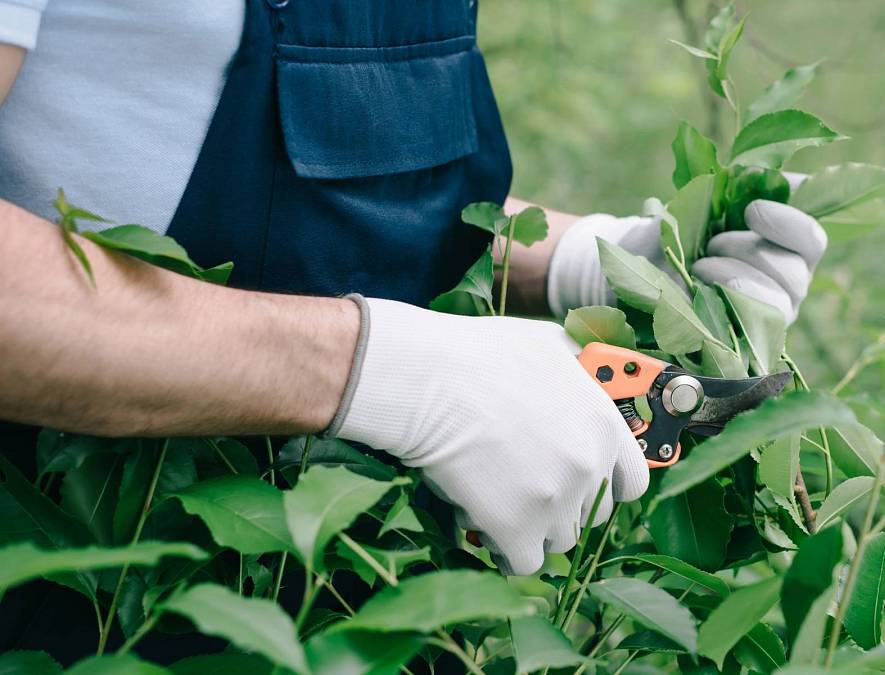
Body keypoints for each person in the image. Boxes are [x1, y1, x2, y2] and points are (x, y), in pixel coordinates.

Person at [0, 1, 827, 580]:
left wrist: (583, 262)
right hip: (83, 575)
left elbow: (321, 194)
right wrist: (386, 371)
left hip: (377, 592)